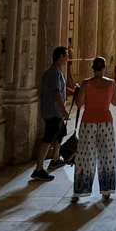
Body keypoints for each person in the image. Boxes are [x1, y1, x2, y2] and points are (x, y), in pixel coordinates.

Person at [72, 56, 116, 202]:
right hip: (106, 122)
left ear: (93, 67)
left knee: (85, 157)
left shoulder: (86, 84)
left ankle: (80, 190)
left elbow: (79, 103)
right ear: (104, 67)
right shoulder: (111, 84)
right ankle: (107, 190)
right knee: (107, 156)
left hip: (88, 123)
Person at [32, 46, 70, 182]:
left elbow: (60, 88)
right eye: (66, 55)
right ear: (60, 56)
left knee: (58, 134)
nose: (68, 58)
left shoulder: (57, 71)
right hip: (53, 111)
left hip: (56, 111)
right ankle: (38, 169)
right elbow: (56, 92)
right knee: (48, 138)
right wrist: (63, 110)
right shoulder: (53, 72)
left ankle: (55, 159)